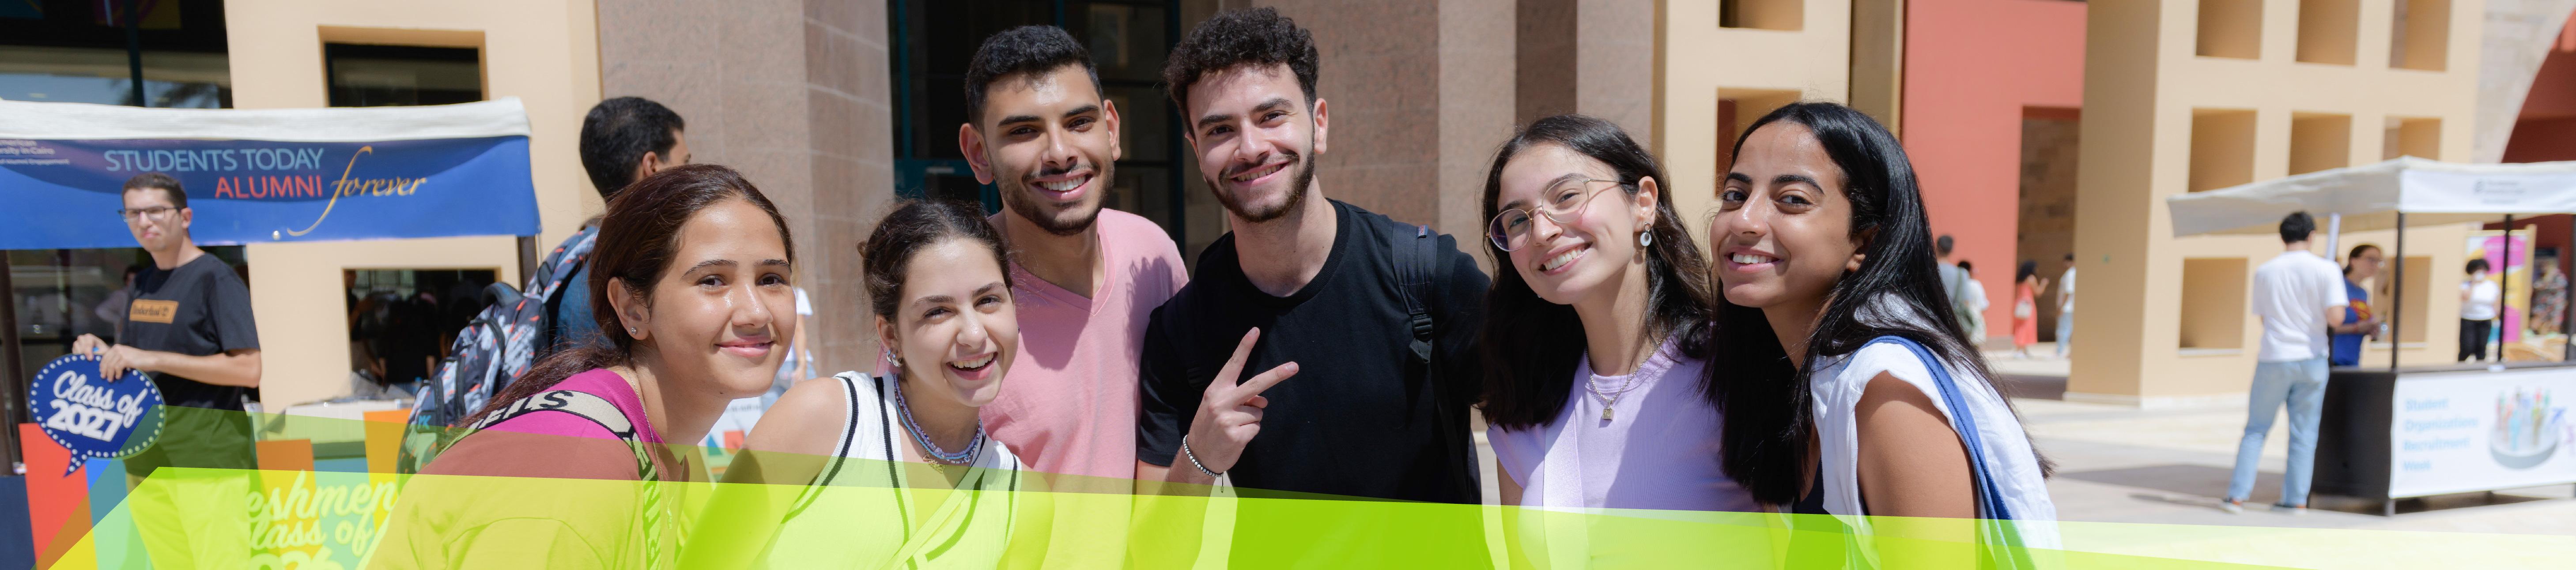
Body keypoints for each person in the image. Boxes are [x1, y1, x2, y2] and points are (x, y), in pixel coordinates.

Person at [1133, 7, 1491, 566]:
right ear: (1197, 152)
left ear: (1318, 123)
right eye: (1220, 129)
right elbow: (1152, 554)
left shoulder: (1426, 275)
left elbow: (1546, 437)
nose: (1250, 147)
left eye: (1271, 116)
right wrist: (1199, 456)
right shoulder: (1184, 329)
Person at [376, 165, 796, 568]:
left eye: (772, 279)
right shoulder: (572, 471)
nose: (755, 313)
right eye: (713, 280)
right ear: (633, 308)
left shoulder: (670, 450)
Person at [1707, 102, 2058, 563]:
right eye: (1735, 194)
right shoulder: (1791, 381)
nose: (1744, 220)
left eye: (1791, 199)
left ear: (1864, 241)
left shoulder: (1886, 392)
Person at [694, 200, 1047, 568]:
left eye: (988, 300)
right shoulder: (823, 419)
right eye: (937, 312)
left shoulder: (1024, 500)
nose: (974, 335)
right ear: (891, 334)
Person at [1475, 114, 1756, 565]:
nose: (1542, 231)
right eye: (1517, 220)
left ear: (1642, 202)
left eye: (1566, 196)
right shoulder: (1523, 406)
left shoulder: (1734, 371)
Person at [958, 25, 1188, 487]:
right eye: (1024, 131)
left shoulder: (1154, 255)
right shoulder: (946, 298)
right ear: (978, 154)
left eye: (1079, 122)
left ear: (1112, 129)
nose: (1060, 153)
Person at [70, 173, 263, 568]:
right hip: (144, 457)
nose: (145, 221)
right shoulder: (143, 282)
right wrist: (105, 353)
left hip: (207, 457)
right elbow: (142, 360)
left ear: (186, 216)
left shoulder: (216, 278)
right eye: (134, 213)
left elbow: (248, 370)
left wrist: (149, 358)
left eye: (156, 210)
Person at [2223, 211, 2348, 514]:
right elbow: (2337, 317)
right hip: (2313, 357)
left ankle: (2238, 497)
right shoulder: (2327, 269)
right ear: (2312, 236)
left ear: (2282, 236)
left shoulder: (2266, 271)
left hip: (2274, 357)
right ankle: (2296, 499)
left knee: (2256, 429)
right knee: (2305, 434)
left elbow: (2264, 318)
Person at [554, 97, 691, 353]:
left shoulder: (579, 261)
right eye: (684, 163)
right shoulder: (611, 271)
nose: (689, 175)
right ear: (652, 166)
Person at [2329, 244, 2386, 367]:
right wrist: (2355, 328)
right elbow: (2324, 327)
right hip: (2332, 359)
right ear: (2353, 261)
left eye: (2379, 262)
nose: (2375, 265)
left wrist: (2370, 329)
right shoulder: (2338, 287)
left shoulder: (2363, 293)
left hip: (2352, 360)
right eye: (2371, 260)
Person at [2460, 258, 2501, 362]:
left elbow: (2496, 303)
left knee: (2482, 347)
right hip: (2468, 319)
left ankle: (2480, 369)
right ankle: (2460, 366)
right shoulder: (2466, 285)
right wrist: (2473, 283)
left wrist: (2499, 317)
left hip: (2486, 319)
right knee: (2467, 347)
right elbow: (2465, 298)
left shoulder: (2492, 286)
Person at [1935, 234, 1976, 337]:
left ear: (1936, 247)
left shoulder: (1929, 271)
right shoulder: (1961, 273)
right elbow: (1966, 301)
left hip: (1933, 320)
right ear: (1952, 250)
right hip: (1953, 322)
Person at [2011, 260, 2045, 359]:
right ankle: (2020, 350)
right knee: (2026, 327)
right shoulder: (2031, 278)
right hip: (2028, 305)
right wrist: (2044, 284)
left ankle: (2022, 349)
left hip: (2019, 304)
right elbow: (2038, 292)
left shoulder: (2020, 279)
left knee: (2020, 326)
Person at [1957, 260, 1991, 343]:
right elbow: (1984, 305)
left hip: (1959, 319)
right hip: (1976, 317)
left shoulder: (1958, 285)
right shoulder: (1976, 284)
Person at [2533, 262, 2567, 336]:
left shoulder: (2559, 276)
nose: (2544, 269)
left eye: (2545, 267)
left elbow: (2561, 285)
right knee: (2539, 318)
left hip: (2555, 303)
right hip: (2544, 303)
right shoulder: (2544, 275)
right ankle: (2541, 334)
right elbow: (2537, 285)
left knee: (2555, 321)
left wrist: (2546, 286)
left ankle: (2555, 336)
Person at [2055, 252, 2077, 359]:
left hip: (2068, 307)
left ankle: (2060, 351)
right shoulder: (2074, 273)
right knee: (2069, 329)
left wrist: (2062, 307)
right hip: (2071, 306)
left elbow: (2069, 291)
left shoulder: (2070, 273)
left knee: (2064, 329)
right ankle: (2069, 352)